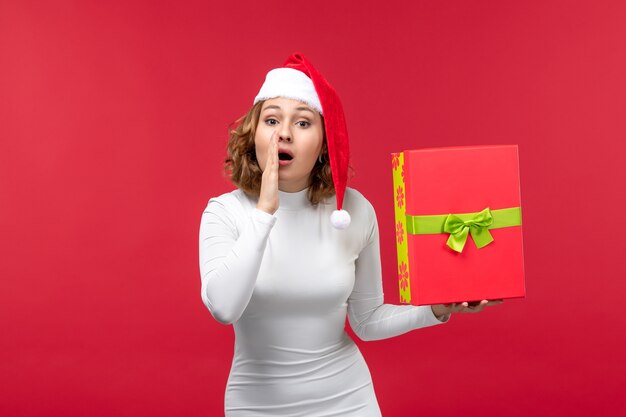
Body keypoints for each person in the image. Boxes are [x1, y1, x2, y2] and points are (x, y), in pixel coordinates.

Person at [199, 53, 502, 417]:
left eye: (304, 122)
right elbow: (223, 307)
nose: (284, 133)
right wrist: (264, 211)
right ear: (254, 135)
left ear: (326, 144)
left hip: (348, 401)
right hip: (257, 405)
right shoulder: (224, 212)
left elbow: (368, 321)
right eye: (272, 119)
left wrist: (436, 309)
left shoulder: (353, 211)